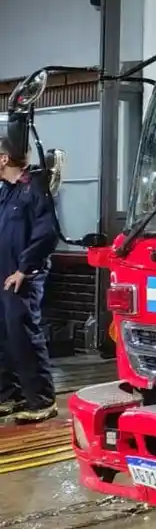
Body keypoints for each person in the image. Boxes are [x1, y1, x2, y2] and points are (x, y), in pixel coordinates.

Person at [0, 136, 58, 423]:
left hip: (22, 277)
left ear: (3, 159)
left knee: (24, 334)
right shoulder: (7, 191)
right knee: (4, 336)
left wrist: (24, 269)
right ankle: (11, 395)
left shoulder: (35, 187)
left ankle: (41, 400)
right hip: (3, 276)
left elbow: (46, 233)